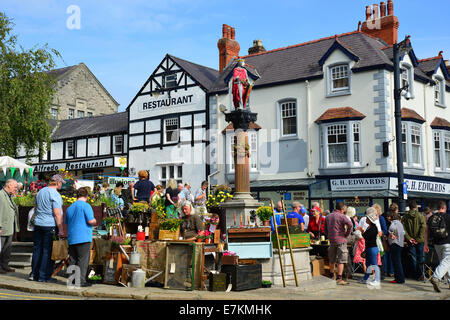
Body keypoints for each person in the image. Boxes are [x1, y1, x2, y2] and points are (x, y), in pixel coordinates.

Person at [30, 174, 65, 283]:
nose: (61, 185)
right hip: (49, 225)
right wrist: (61, 229)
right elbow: (57, 214)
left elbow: (35, 209)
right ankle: (43, 276)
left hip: (38, 224)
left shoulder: (41, 192)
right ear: (58, 183)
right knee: (47, 251)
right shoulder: (55, 194)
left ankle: (34, 274)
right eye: (61, 183)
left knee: (37, 249)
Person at [65, 187, 97, 287]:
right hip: (83, 236)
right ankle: (81, 281)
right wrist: (95, 221)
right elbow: (90, 221)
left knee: (73, 259)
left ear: (77, 196)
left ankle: (72, 280)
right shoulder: (86, 206)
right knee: (83, 260)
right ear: (86, 196)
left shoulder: (69, 208)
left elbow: (67, 222)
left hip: (72, 237)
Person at [324, 201, 353, 285]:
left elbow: (324, 229)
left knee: (332, 259)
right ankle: (339, 278)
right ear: (342, 209)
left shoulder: (328, 216)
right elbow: (350, 225)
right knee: (341, 260)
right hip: (341, 240)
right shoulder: (342, 216)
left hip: (332, 240)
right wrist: (346, 234)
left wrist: (329, 235)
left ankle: (332, 276)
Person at [425, 201, 450, 292]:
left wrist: (425, 244)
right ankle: (436, 277)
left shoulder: (432, 217)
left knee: (445, 263)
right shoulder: (448, 217)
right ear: (445, 208)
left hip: (436, 244)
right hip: (448, 243)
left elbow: (426, 231)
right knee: (446, 262)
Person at [402, 200, 426, 281]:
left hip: (410, 240)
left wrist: (409, 238)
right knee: (421, 258)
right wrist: (418, 239)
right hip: (419, 240)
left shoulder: (405, 216)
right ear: (416, 207)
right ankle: (421, 275)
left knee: (413, 258)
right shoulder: (420, 216)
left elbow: (403, 229)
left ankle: (416, 275)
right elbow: (423, 228)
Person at [357, 207, 381, 288]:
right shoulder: (370, 227)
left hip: (372, 248)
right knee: (368, 264)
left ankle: (377, 280)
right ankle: (366, 278)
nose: (366, 219)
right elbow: (366, 236)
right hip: (369, 248)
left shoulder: (373, 228)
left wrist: (361, 231)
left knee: (374, 265)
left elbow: (366, 236)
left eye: (367, 218)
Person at [0, 179, 20, 274]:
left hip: (9, 227)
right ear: (8, 185)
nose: (16, 189)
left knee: (7, 249)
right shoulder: (1, 195)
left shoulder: (9, 196)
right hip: (2, 226)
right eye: (15, 187)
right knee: (1, 248)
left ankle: (4, 265)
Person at [387, 210, 405, 284]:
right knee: (398, 262)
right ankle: (400, 278)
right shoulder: (400, 223)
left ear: (391, 217)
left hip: (395, 244)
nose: (387, 218)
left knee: (396, 262)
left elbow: (392, 229)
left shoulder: (393, 223)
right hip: (400, 244)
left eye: (388, 216)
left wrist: (390, 233)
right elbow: (403, 232)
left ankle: (399, 279)